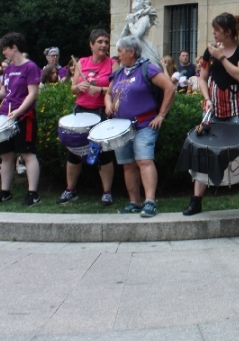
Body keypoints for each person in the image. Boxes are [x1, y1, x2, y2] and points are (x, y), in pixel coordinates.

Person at [184, 13, 239, 216]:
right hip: (214, 110)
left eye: (216, 29)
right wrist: (207, 98)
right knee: (204, 152)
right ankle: (196, 200)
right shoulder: (210, 50)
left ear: (227, 32)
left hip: (238, 111)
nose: (213, 33)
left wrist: (222, 58)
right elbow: (202, 78)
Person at [106, 35, 175, 218]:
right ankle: (134, 202)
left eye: (120, 51)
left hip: (144, 125)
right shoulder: (120, 72)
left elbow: (170, 87)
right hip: (120, 128)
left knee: (144, 161)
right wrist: (108, 104)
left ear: (131, 51)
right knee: (128, 165)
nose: (117, 54)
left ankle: (150, 202)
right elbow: (108, 92)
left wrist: (161, 115)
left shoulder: (148, 68)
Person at [0, 33, 42, 206]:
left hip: (23, 117)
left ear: (14, 47)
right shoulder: (8, 69)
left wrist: (20, 111)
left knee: (28, 154)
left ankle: (32, 193)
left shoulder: (30, 67)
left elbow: (33, 93)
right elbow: (6, 94)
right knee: (6, 156)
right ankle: (4, 192)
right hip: (6, 116)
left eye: (5, 49)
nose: (3, 53)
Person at [57, 29, 116, 207]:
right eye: (99, 41)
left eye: (106, 42)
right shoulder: (82, 62)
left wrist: (98, 90)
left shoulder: (112, 64)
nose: (104, 45)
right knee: (74, 152)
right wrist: (80, 86)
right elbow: (73, 88)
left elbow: (116, 89)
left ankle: (107, 192)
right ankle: (70, 189)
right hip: (82, 111)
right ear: (91, 44)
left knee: (104, 153)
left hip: (101, 112)